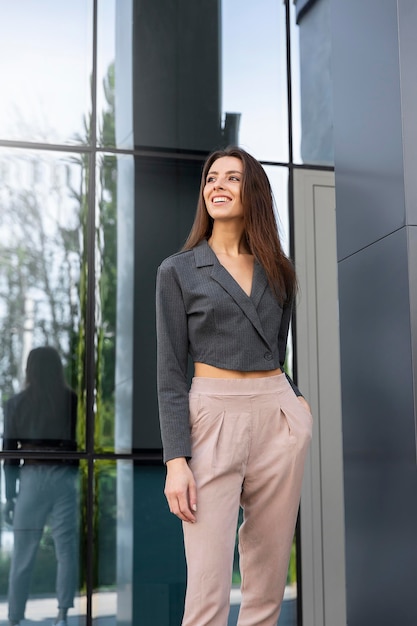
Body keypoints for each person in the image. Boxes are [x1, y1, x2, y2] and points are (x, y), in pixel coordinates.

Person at [156, 146, 313, 626]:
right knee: (206, 593)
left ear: (255, 193)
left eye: (232, 178)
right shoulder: (178, 271)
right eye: (211, 178)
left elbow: (276, 349)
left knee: (266, 587)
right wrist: (175, 459)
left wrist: (298, 409)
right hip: (211, 417)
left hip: (277, 416)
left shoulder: (279, 270)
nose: (218, 185)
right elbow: (169, 372)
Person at [2, 346, 78, 626]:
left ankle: (14, 616)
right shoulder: (69, 399)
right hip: (62, 475)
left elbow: (9, 452)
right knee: (66, 549)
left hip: (31, 475)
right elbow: (75, 441)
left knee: (23, 550)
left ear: (29, 369)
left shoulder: (15, 404)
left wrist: (10, 496)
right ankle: (62, 613)